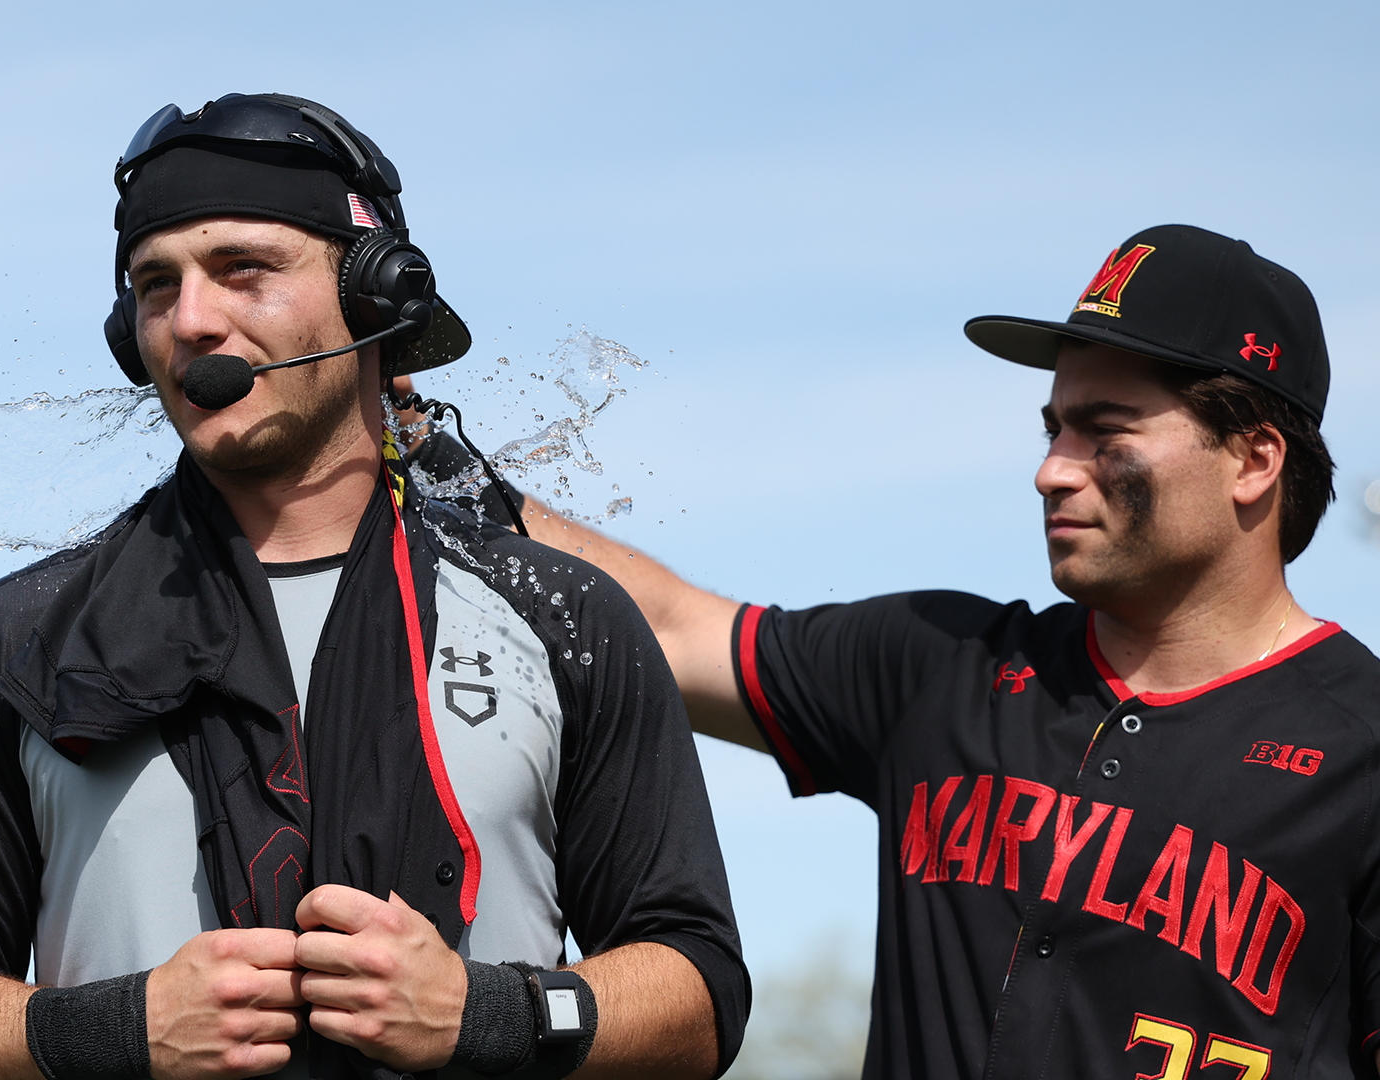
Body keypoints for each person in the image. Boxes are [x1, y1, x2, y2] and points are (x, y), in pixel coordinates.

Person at [0, 93, 747, 1080]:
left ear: (371, 299)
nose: (191, 320)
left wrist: (491, 1013)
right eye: (156, 285)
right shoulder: (18, 641)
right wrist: (110, 1032)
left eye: (244, 270)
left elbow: (698, 995)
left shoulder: (564, 617)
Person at [494, 224, 1380, 1077]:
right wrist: (425, 458)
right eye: (1054, 429)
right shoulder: (940, 663)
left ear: (1255, 459)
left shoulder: (1362, 751)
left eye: (1105, 432)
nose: (1053, 470)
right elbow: (677, 629)